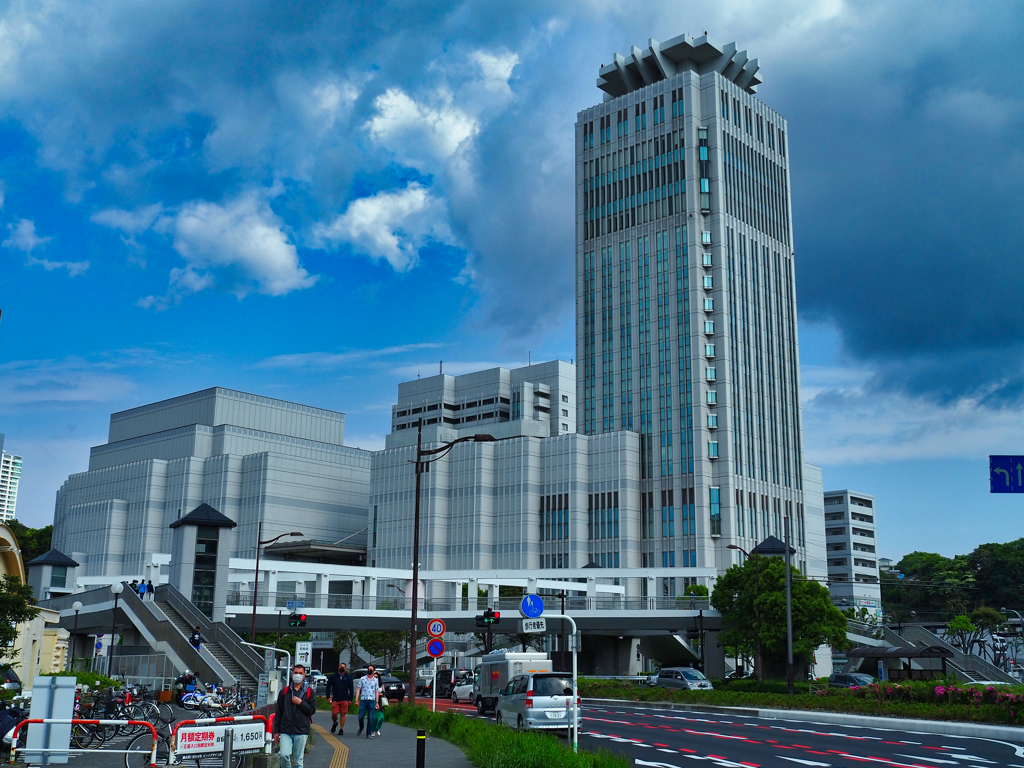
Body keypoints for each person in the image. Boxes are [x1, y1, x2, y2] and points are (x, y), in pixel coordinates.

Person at [274, 664, 316, 768]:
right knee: (283, 755)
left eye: (300, 673)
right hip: (285, 729)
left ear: (304, 675)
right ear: (292, 674)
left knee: (298, 761)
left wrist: (301, 703)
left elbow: (312, 710)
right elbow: (278, 712)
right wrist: (276, 731)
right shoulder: (284, 692)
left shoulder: (309, 692)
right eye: (296, 673)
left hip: (301, 730)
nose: (298, 675)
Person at [326, 662, 354, 735]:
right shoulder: (333, 676)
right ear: (338, 667)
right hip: (335, 698)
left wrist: (350, 699)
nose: (342, 668)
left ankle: (341, 729)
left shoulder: (348, 677)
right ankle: (335, 722)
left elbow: (351, 689)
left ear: (345, 668)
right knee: (334, 714)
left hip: (345, 698)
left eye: (344, 667)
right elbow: (328, 687)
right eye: (341, 666)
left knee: (343, 714)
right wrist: (328, 697)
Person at [356, 664, 381, 739]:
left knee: (370, 718)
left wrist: (377, 702)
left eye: (371, 669)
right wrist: (356, 699)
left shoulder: (375, 680)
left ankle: (369, 733)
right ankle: (361, 727)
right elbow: (358, 689)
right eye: (368, 669)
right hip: (363, 700)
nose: (369, 670)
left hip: (371, 701)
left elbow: (376, 691)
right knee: (361, 717)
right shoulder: (363, 679)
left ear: (373, 671)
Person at [374, 672, 387, 736]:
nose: (375, 678)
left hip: (380, 702)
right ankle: (372, 730)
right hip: (373, 702)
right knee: (374, 717)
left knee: (381, 717)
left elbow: (384, 693)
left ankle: (377, 728)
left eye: (376, 677)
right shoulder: (371, 684)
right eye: (374, 677)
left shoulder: (381, 685)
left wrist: (380, 694)